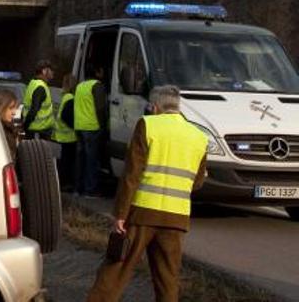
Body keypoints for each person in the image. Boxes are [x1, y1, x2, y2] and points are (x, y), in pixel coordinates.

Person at [87, 85, 207, 302]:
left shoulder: (148, 125)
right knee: (167, 280)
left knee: (116, 269)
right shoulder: (199, 136)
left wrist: (120, 214)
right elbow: (197, 182)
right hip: (176, 218)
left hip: (142, 214)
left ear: (154, 107)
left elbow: (132, 174)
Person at [74, 65, 108, 197]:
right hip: (92, 127)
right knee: (91, 160)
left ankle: (78, 188)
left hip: (79, 126)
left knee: (80, 160)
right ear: (97, 71)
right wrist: (103, 125)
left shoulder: (80, 86)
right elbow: (100, 108)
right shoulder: (97, 86)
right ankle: (90, 190)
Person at [54, 74, 78, 192]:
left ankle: (63, 183)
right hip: (70, 136)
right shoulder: (70, 98)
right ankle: (66, 184)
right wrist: (76, 127)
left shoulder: (65, 97)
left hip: (64, 135)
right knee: (68, 162)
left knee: (65, 160)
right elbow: (66, 116)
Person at [22, 60, 55, 140]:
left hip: (36, 130)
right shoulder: (40, 87)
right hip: (38, 131)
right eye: (51, 70)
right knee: (39, 152)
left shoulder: (33, 83)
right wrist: (25, 126)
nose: (53, 73)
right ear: (44, 71)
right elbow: (34, 110)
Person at [0, 88, 20, 158]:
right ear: (0, 107)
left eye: (15, 108)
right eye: (11, 108)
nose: (14, 112)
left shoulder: (10, 129)